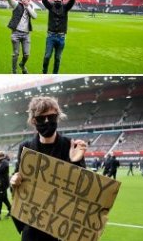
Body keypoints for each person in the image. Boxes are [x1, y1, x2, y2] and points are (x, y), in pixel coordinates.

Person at [10, 96, 87, 241]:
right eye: (41, 118)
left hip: (62, 227)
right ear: (33, 121)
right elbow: (17, 182)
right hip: (32, 227)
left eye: (51, 117)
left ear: (57, 117)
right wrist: (13, 180)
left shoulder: (71, 146)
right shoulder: (25, 147)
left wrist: (76, 162)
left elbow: (83, 189)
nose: (46, 121)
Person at [41, 0, 75, 74]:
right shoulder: (50, 6)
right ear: (54, 0)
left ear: (62, 0)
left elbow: (72, 1)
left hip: (61, 37)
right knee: (47, 56)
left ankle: (54, 74)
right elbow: (44, 0)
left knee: (57, 58)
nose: (57, 0)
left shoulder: (65, 8)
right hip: (51, 36)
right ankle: (44, 72)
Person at [7, 0, 37, 74]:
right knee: (15, 54)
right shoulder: (16, 4)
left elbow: (34, 16)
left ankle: (22, 65)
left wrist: (27, 6)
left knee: (27, 54)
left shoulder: (30, 7)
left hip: (26, 34)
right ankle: (14, 70)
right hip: (16, 33)